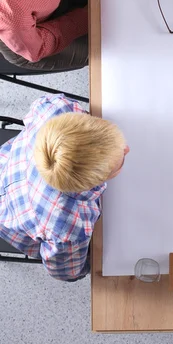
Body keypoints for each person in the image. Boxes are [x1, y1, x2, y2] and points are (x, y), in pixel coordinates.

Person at [0, 94, 128, 281]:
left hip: (8, 164)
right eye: (121, 159)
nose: (127, 149)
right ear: (93, 184)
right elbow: (68, 272)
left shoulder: (58, 109)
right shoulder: (68, 227)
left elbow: (39, 104)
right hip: (11, 220)